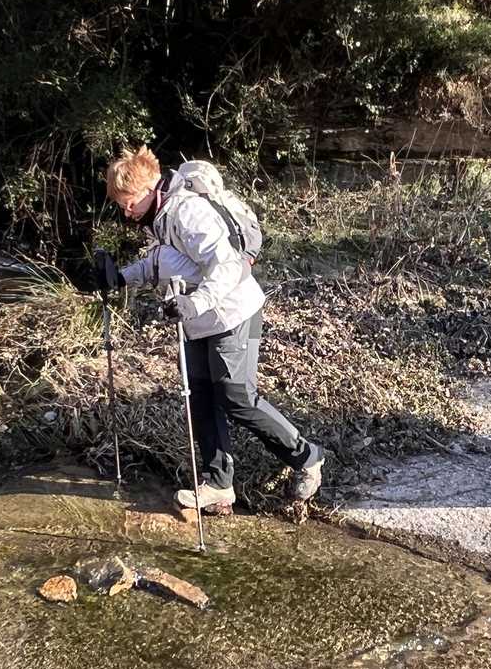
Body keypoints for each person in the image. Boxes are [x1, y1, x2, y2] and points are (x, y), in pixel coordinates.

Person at [96, 147, 323, 512]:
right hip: (199, 321)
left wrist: (193, 303)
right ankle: (218, 485)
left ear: (151, 187)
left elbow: (228, 267)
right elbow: (165, 262)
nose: (127, 212)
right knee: (199, 395)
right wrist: (120, 277)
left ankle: (307, 457)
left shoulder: (188, 211)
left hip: (235, 313)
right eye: (122, 205)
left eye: (130, 202)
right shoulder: (162, 216)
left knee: (235, 396)